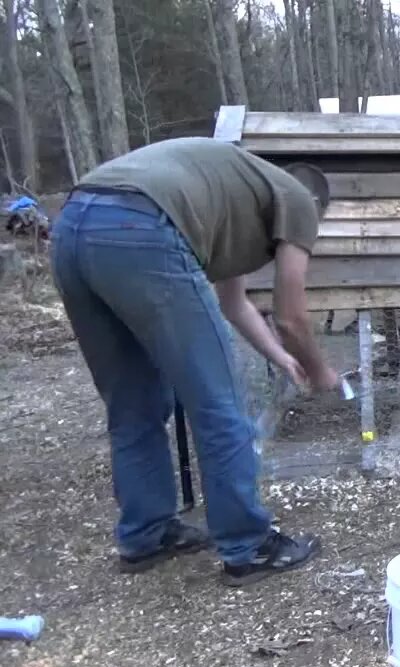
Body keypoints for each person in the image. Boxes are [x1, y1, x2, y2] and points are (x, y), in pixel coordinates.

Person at [50, 136, 340, 587]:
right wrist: (322, 372)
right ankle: (249, 546)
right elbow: (291, 315)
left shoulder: (233, 195)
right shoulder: (302, 197)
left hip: (72, 226)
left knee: (133, 403)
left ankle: (146, 534)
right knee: (220, 404)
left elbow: (235, 304)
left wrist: (282, 358)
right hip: (142, 228)